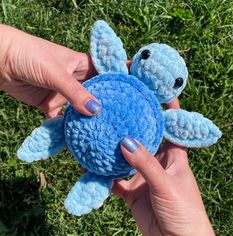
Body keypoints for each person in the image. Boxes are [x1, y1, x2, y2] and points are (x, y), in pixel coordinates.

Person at [0, 24, 214, 235]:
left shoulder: (154, 112)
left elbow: (190, 127)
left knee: (66, 134)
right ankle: (95, 174)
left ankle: (92, 172)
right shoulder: (122, 81)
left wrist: (9, 52)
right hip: (85, 134)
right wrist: (7, 54)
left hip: (90, 140)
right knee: (68, 136)